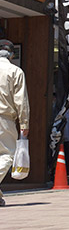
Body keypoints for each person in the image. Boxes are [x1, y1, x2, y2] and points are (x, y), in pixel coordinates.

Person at [0, 40, 30, 207]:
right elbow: (21, 101)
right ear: (11, 54)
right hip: (4, 118)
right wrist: (24, 123)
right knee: (7, 155)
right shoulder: (15, 71)